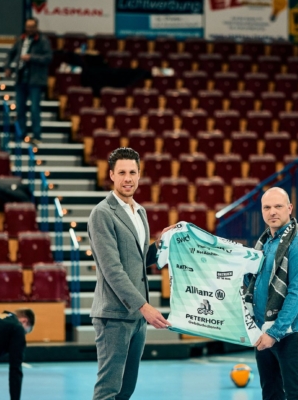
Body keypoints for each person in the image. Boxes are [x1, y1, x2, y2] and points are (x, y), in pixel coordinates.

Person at [87, 147, 172, 400]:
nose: (128, 178)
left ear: (139, 175)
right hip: (114, 315)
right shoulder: (102, 213)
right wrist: (144, 306)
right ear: (111, 175)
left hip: (135, 317)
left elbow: (140, 260)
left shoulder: (140, 212)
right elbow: (112, 269)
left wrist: (163, 244)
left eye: (132, 172)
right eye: (122, 172)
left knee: (126, 390)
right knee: (108, 390)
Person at [245, 187, 298, 400]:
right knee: (271, 395)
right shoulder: (264, 244)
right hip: (263, 331)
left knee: (297, 395)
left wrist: (274, 333)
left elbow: (296, 294)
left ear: (289, 208)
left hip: (290, 333)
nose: (272, 211)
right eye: (267, 207)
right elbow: (255, 284)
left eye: (278, 206)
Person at [4, 18, 52, 146]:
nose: (29, 29)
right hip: (21, 78)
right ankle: (21, 135)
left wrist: (32, 58)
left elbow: (48, 57)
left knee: (34, 109)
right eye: (27, 27)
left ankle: (37, 136)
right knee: (20, 108)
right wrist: (8, 67)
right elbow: (11, 53)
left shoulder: (43, 41)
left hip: (35, 80)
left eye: (31, 27)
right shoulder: (21, 39)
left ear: (36, 27)